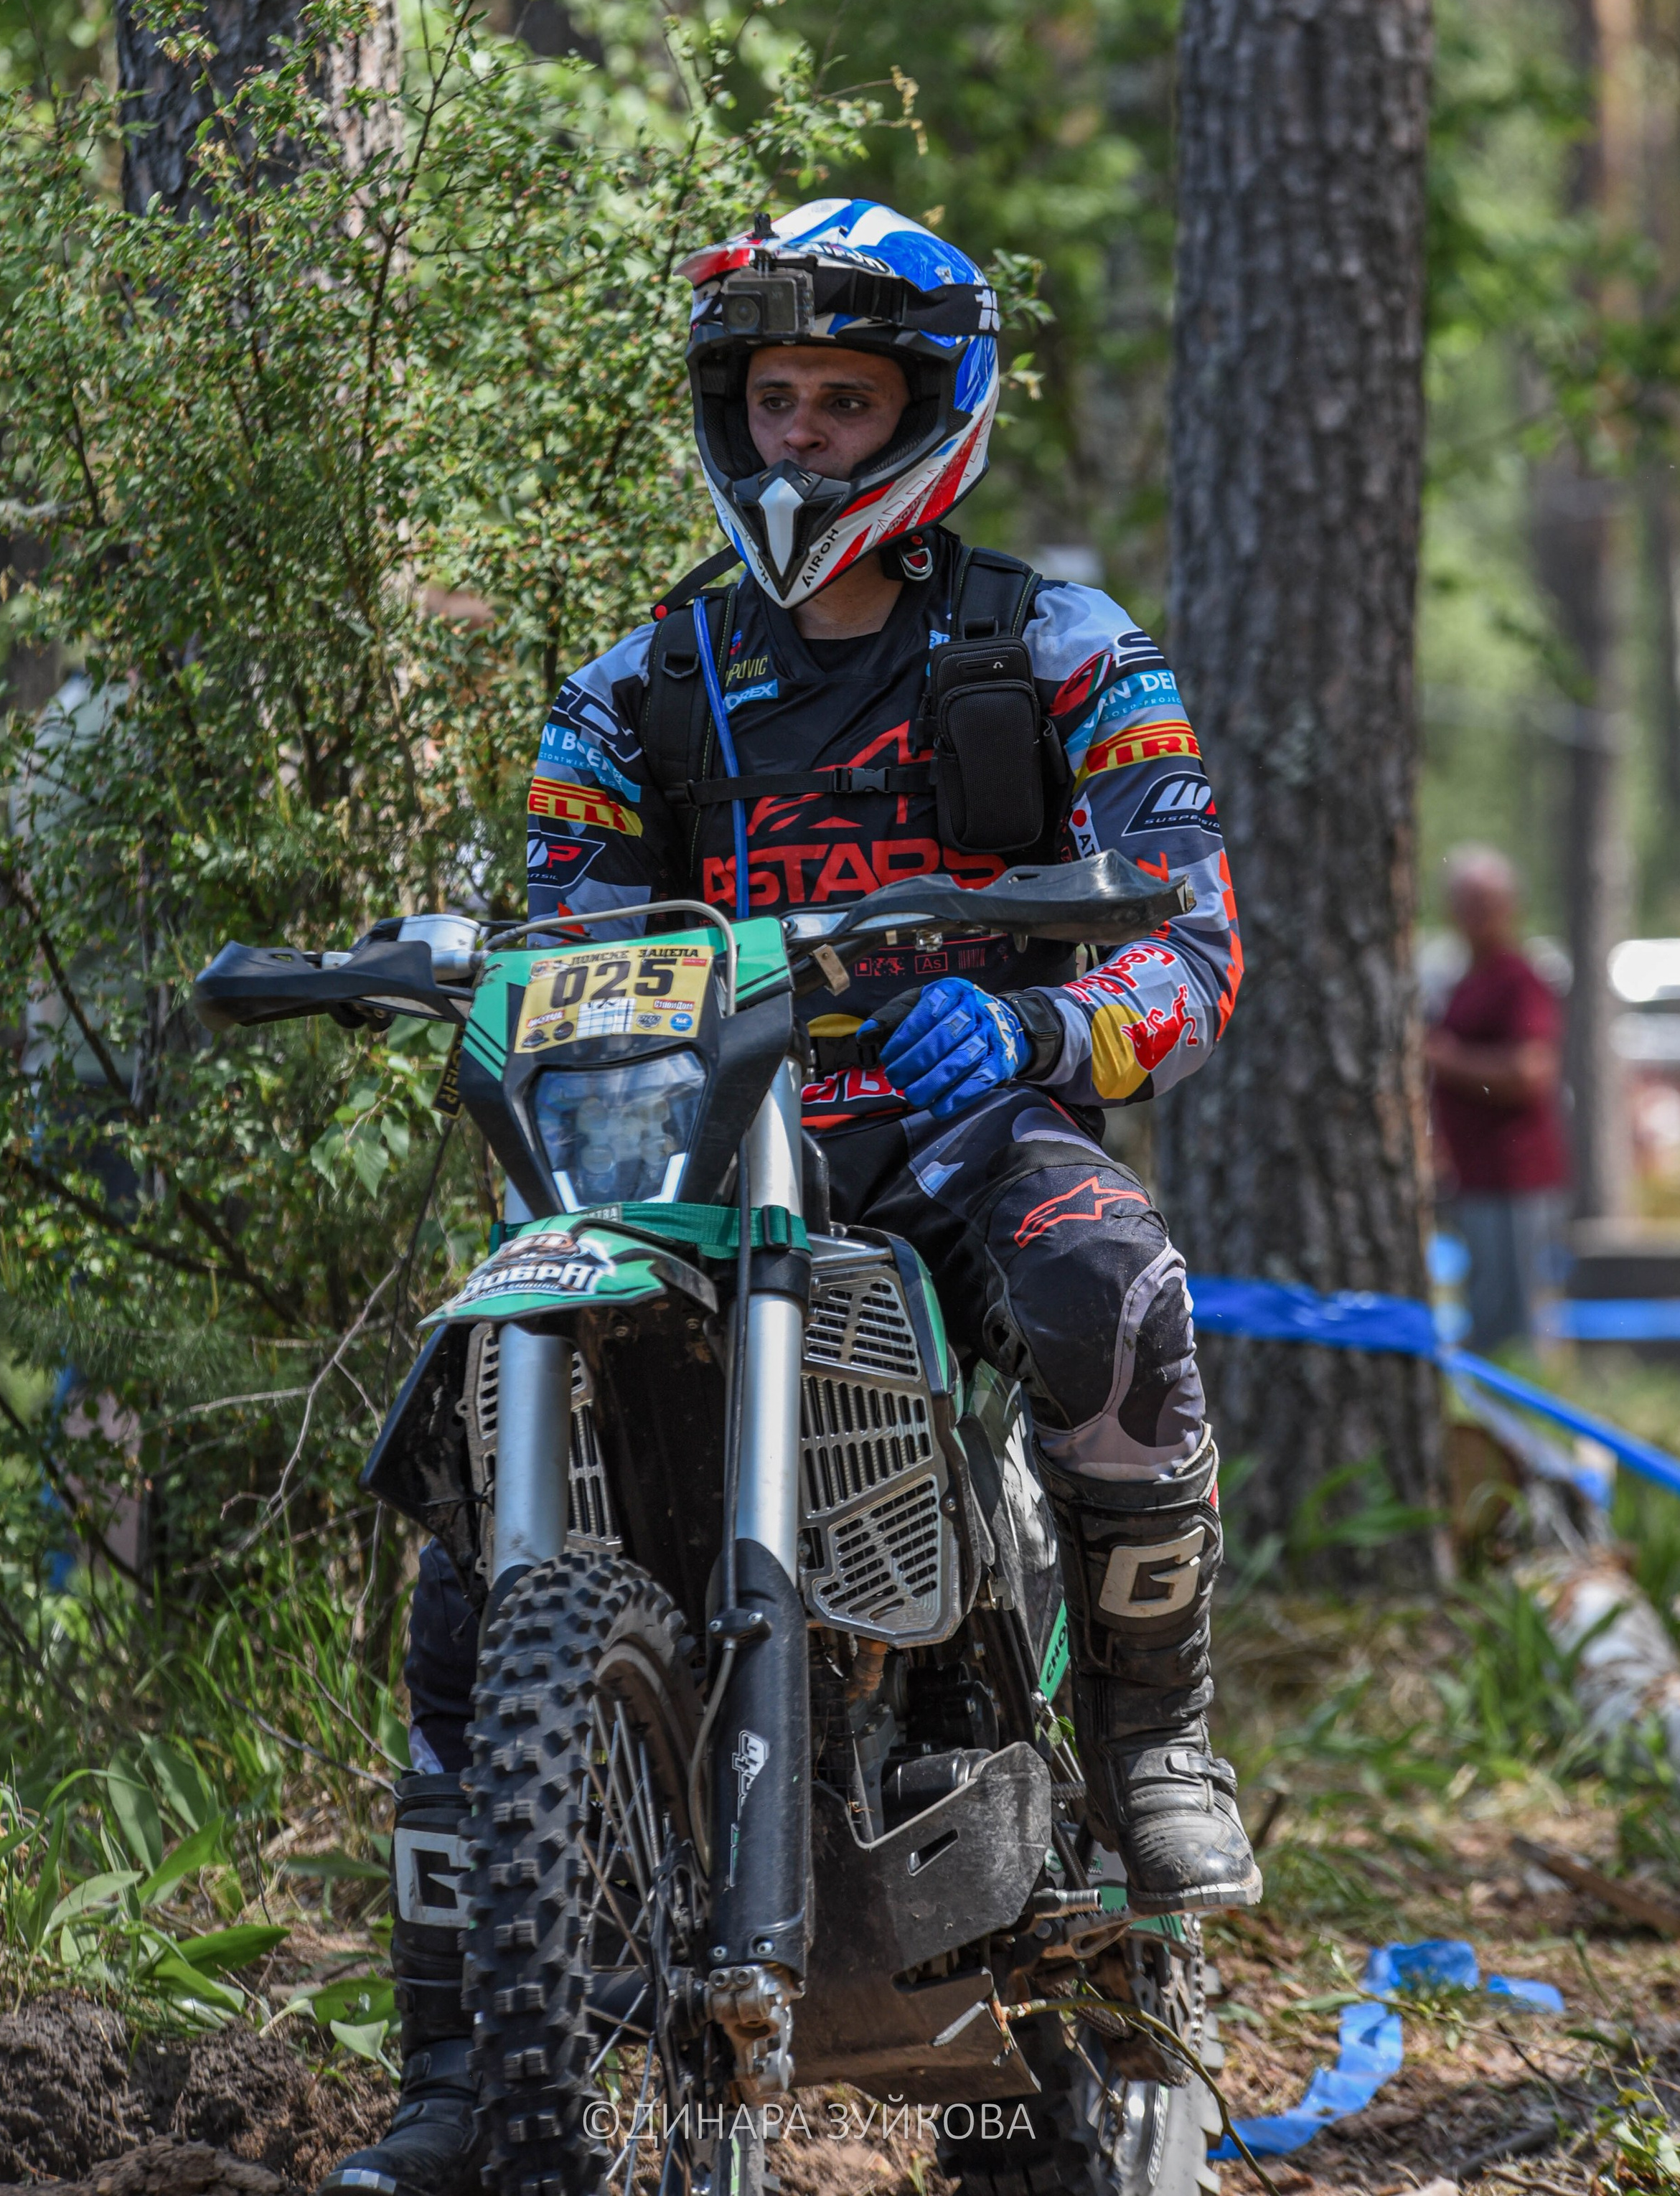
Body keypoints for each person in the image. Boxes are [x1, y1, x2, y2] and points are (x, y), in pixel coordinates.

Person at [324, 197, 1257, 2196]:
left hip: (957, 1129)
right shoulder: (637, 682)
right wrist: (464, 975)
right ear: (727, 413)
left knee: (1113, 1286)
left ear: (926, 412)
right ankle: (451, 2058)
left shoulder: (1061, 647)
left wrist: (1040, 1035)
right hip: (691, 1148)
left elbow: (1194, 943)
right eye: (776, 397)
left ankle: (1152, 1744)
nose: (807, 435)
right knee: (478, 1461)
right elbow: (561, 923)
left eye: (846, 398)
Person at [1425, 845, 1569, 1353]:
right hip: (1476, 1176)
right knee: (1484, 1311)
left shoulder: (1519, 980)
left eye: (1486, 903)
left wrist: (1447, 1059)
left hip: (1515, 1177)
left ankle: (1522, 1421)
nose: (1475, 916)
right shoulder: (1465, 981)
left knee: (1514, 1323)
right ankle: (1488, 1422)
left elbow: (1530, 1072)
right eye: (1465, 903)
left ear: (1511, 907)